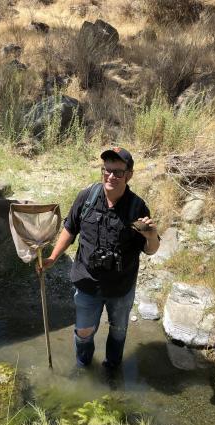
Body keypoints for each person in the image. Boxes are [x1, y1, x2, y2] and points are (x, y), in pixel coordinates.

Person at [40, 147, 160, 370]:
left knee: (118, 330)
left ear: (129, 175)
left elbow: (150, 250)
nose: (111, 176)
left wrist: (151, 236)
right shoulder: (87, 197)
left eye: (118, 172)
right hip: (87, 281)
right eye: (107, 170)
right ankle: (83, 368)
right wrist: (53, 257)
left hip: (121, 286)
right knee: (84, 332)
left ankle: (112, 369)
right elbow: (70, 228)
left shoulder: (137, 207)